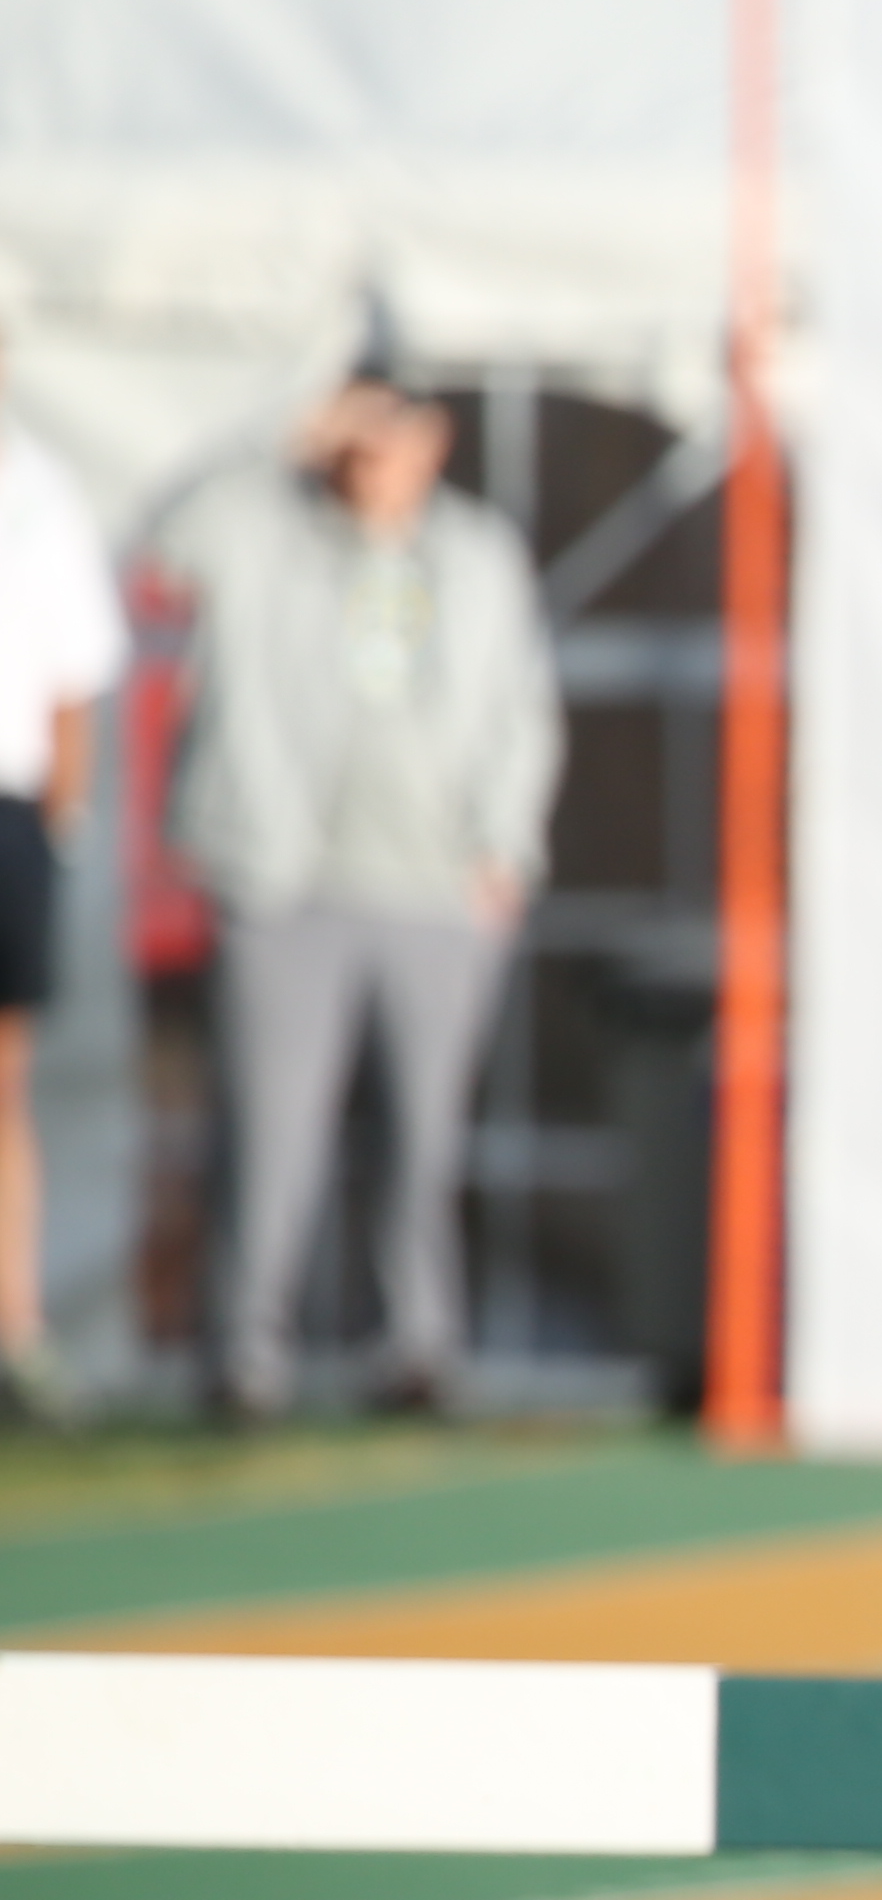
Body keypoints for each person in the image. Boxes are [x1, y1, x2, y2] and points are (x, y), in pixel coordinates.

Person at [153, 377, 558, 1418]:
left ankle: (413, 1348)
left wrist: (503, 848)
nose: (376, 455)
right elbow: (166, 542)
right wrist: (289, 435)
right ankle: (244, 1358)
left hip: (436, 886)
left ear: (435, 439)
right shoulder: (267, 529)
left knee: (422, 1140)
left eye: (396, 431)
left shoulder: (478, 552)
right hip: (285, 878)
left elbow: (525, 707)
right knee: (270, 1134)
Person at [0, 321, 131, 1424]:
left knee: (4, 1085)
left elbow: (73, 678)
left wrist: (62, 830)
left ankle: (17, 1328)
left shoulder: (37, 489)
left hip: (8, 806)